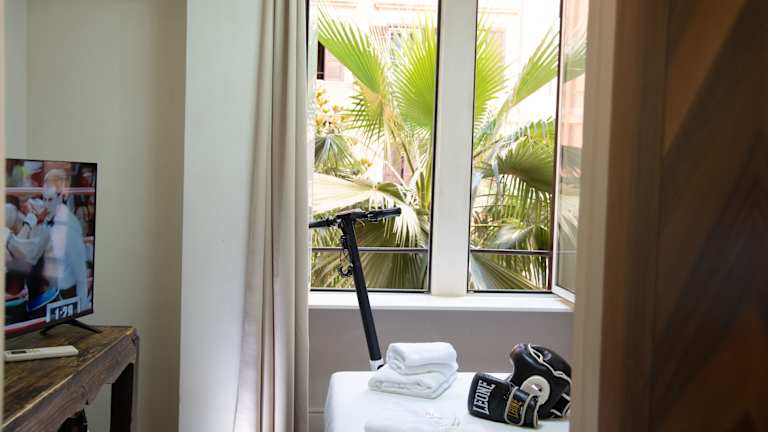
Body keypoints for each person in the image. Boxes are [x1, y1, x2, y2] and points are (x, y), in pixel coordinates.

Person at [41, 169, 91, 313]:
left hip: (66, 297)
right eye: (44, 198)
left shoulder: (69, 229)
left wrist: (82, 310)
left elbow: (81, 277)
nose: (46, 205)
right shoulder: (48, 220)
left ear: (61, 197)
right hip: (50, 294)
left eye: (50, 199)